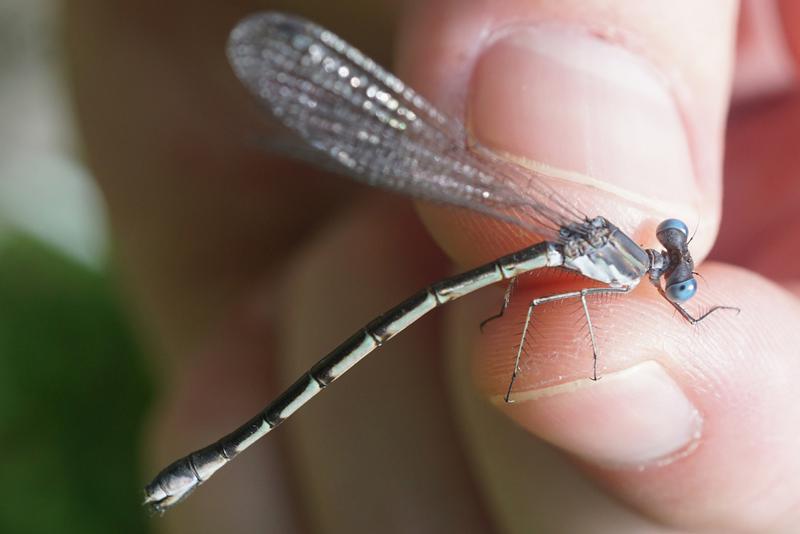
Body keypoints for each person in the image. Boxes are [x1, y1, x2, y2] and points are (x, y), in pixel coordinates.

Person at [64, 0, 800, 531]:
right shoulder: (613, 237)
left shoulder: (627, 258)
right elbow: (551, 304)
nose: (675, 283)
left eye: (676, 282)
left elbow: (545, 302)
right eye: (677, 280)